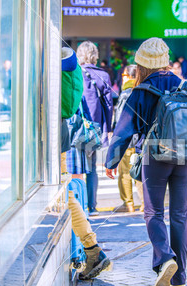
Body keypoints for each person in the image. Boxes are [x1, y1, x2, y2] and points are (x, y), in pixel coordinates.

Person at [105, 37, 187, 286]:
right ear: (165, 62)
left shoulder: (140, 92)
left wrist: (112, 160)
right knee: (180, 215)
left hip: (154, 158)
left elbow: (123, 131)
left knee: (153, 213)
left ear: (141, 65)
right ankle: (180, 279)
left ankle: (164, 259)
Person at [61, 47, 111, 280]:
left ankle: (91, 251)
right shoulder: (77, 72)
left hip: (61, 139)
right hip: (76, 135)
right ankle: (89, 249)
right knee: (73, 190)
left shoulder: (58, 71)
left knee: (66, 196)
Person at [73, 41, 113, 214]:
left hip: (75, 126)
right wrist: (108, 127)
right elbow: (109, 104)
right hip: (94, 126)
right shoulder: (103, 75)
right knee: (92, 167)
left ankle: (78, 206)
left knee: (75, 167)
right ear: (95, 55)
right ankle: (92, 206)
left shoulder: (74, 73)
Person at [113, 64, 144, 213]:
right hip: (141, 141)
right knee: (140, 172)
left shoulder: (125, 93)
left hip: (127, 141)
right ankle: (145, 204)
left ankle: (128, 203)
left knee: (125, 173)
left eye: (124, 75)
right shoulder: (144, 92)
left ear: (128, 76)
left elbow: (120, 121)